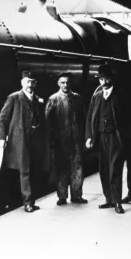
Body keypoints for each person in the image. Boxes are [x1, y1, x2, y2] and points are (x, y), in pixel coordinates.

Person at [0, 71, 45, 213]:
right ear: (22, 83)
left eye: (32, 82)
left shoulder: (36, 99)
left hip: (34, 140)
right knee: (25, 171)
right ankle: (28, 203)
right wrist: (2, 137)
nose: (29, 85)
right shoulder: (14, 98)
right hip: (20, 141)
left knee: (34, 170)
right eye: (27, 82)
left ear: (35, 83)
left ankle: (32, 201)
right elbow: (2, 119)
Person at [85, 64, 129, 214]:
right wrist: (89, 136)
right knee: (104, 169)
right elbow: (90, 116)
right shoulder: (96, 96)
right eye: (101, 79)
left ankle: (117, 202)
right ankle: (109, 199)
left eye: (106, 78)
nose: (104, 82)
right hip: (100, 137)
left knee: (115, 168)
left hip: (116, 138)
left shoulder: (120, 95)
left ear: (111, 78)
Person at [45, 72, 87, 206]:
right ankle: (62, 196)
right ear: (58, 83)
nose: (65, 85)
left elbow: (85, 118)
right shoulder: (53, 99)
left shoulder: (77, 99)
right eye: (62, 82)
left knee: (77, 168)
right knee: (61, 168)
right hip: (60, 141)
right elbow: (47, 121)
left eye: (68, 82)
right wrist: (51, 139)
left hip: (76, 140)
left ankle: (77, 195)